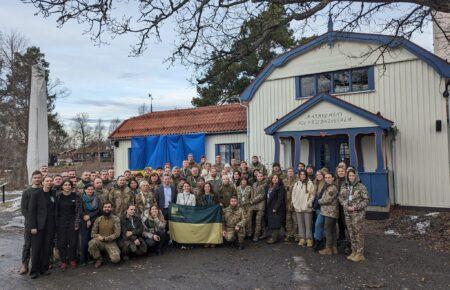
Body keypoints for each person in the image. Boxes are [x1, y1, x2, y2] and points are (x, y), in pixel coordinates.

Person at [339, 169, 369, 262]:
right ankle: (354, 251)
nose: (351, 177)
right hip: (347, 213)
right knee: (351, 233)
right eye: (349, 176)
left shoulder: (361, 187)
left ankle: (360, 254)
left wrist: (355, 207)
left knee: (358, 233)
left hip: (357, 215)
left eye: (353, 175)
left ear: (356, 176)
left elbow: (366, 200)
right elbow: (340, 197)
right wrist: (345, 204)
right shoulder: (345, 186)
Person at [29, 176, 56, 279]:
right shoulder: (36, 194)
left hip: (50, 225)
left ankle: (44, 269)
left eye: (50, 181)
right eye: (47, 181)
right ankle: (34, 271)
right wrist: (33, 226)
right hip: (38, 226)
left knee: (47, 248)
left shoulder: (53, 193)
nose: (49, 182)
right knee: (36, 249)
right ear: (43, 182)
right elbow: (32, 211)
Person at [19, 170, 42, 275]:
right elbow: (24, 209)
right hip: (30, 223)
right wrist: (31, 224)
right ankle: (24, 264)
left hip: (41, 223)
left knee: (38, 245)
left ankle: (37, 265)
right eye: (35, 177)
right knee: (27, 245)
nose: (37, 179)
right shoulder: (27, 192)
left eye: (39, 177)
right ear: (32, 179)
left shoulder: (43, 190)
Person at [55, 180, 81, 270]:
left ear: (71, 186)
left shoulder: (76, 196)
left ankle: (72, 259)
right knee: (61, 243)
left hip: (72, 221)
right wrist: (56, 223)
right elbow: (55, 211)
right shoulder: (58, 196)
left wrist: (77, 222)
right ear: (62, 186)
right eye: (65, 185)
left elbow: (78, 211)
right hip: (61, 221)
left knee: (73, 242)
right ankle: (63, 261)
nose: (67, 186)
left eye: (69, 185)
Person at [88, 202, 121, 268]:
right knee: (92, 243)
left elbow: (117, 234)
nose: (107, 208)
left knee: (116, 259)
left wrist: (106, 238)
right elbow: (92, 233)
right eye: (105, 207)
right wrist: (98, 236)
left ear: (111, 208)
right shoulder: (98, 219)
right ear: (102, 208)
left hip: (111, 242)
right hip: (100, 242)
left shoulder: (116, 219)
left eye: (109, 207)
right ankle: (98, 259)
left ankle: (110, 255)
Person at [292, 170, 315, 247]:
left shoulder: (310, 183)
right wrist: (294, 203)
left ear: (306, 175)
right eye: (301, 174)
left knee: (308, 224)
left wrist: (308, 203)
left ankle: (309, 239)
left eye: (304, 174)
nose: (302, 176)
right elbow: (293, 194)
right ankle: (302, 238)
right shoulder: (296, 184)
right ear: (299, 175)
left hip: (306, 207)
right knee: (300, 224)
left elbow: (312, 195)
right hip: (298, 207)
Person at [80, 183, 101, 266]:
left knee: (92, 240)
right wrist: (84, 216)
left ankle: (92, 257)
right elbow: (79, 209)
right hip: (84, 221)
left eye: (92, 189)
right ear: (85, 190)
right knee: (84, 240)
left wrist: (90, 215)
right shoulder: (81, 198)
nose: (90, 191)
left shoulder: (96, 198)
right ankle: (83, 259)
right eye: (88, 189)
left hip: (94, 220)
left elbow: (98, 209)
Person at [318, 173, 339, 255]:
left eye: (329, 177)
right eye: (326, 177)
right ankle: (334, 247)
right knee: (332, 230)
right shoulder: (328, 186)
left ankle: (328, 249)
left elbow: (327, 200)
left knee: (327, 230)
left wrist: (318, 201)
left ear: (333, 178)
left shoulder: (332, 188)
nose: (327, 179)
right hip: (329, 212)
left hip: (330, 213)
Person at [264, 174, 286, 244]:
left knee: (276, 223)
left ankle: (274, 238)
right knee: (272, 222)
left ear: (279, 179)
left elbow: (280, 199)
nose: (275, 179)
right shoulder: (269, 186)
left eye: (276, 178)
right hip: (269, 207)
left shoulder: (280, 187)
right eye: (273, 178)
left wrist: (276, 208)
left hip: (276, 207)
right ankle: (273, 236)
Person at [335, 166, 349, 253]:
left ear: (345, 172)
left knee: (347, 225)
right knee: (340, 225)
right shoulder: (335, 181)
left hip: (346, 207)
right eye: (339, 171)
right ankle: (341, 241)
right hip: (337, 207)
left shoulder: (348, 182)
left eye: (342, 171)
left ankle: (349, 244)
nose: (340, 172)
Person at [312, 169, 327, 251]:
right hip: (317, 207)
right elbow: (314, 196)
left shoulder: (326, 183)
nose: (318, 176)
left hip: (324, 207)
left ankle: (318, 240)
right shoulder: (316, 183)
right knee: (320, 225)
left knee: (318, 224)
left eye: (320, 174)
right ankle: (320, 241)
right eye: (317, 175)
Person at [249, 172, 266, 242]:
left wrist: (253, 201)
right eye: (258, 176)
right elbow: (252, 193)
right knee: (252, 219)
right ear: (256, 177)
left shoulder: (265, 185)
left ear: (263, 177)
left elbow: (262, 195)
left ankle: (256, 235)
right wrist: (251, 200)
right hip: (253, 204)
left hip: (260, 205)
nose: (259, 177)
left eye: (261, 176)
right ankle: (263, 233)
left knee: (258, 220)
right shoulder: (254, 184)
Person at [283, 168, 298, 242]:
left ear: (293, 172)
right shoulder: (284, 181)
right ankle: (289, 234)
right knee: (288, 220)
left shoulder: (297, 181)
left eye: (291, 171)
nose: (290, 173)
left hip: (295, 204)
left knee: (295, 220)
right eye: (288, 171)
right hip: (287, 204)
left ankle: (296, 235)